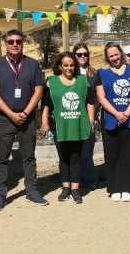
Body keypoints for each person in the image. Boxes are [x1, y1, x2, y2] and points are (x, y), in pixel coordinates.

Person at [0, 29, 47, 211]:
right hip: (5, 118)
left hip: (27, 118)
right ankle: (0, 195)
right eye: (11, 41)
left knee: (29, 156)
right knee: (2, 158)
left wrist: (27, 113)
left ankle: (32, 191)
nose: (15, 44)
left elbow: (39, 90)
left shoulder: (32, 64)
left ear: (22, 43)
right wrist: (11, 114)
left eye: (18, 41)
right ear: (5, 43)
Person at [40, 53, 95, 203]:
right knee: (63, 158)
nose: (69, 68)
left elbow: (90, 102)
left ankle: (75, 189)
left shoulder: (83, 81)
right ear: (60, 66)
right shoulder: (52, 83)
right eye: (66, 65)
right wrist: (44, 123)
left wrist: (91, 121)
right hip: (60, 126)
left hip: (78, 124)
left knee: (76, 157)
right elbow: (46, 105)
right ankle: (65, 188)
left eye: (71, 65)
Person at [96, 43, 130, 201]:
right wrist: (116, 113)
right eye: (111, 56)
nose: (114, 58)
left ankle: (126, 187)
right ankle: (115, 187)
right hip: (110, 119)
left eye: (116, 54)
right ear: (107, 58)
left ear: (121, 54)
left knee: (128, 154)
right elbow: (101, 97)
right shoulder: (102, 73)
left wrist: (127, 113)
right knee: (112, 154)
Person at [72, 42, 98, 190]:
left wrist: (94, 118)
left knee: (88, 149)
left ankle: (90, 178)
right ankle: (77, 177)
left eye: (85, 54)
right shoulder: (70, 73)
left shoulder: (94, 74)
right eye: (79, 54)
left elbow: (97, 97)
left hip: (90, 115)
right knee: (75, 150)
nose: (82, 57)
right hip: (74, 115)